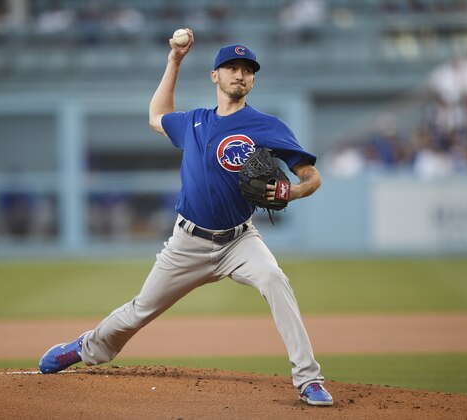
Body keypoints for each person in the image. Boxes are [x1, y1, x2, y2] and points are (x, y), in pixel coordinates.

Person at [38, 29, 333, 407]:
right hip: (188, 242)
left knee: (275, 279)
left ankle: (309, 379)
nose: (239, 74)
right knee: (139, 311)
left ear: (254, 79)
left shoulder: (268, 126)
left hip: (240, 241)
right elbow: (157, 116)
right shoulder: (194, 122)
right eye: (231, 68)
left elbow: (312, 176)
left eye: (247, 69)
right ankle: (85, 348)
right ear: (215, 76)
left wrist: (292, 190)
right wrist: (174, 59)